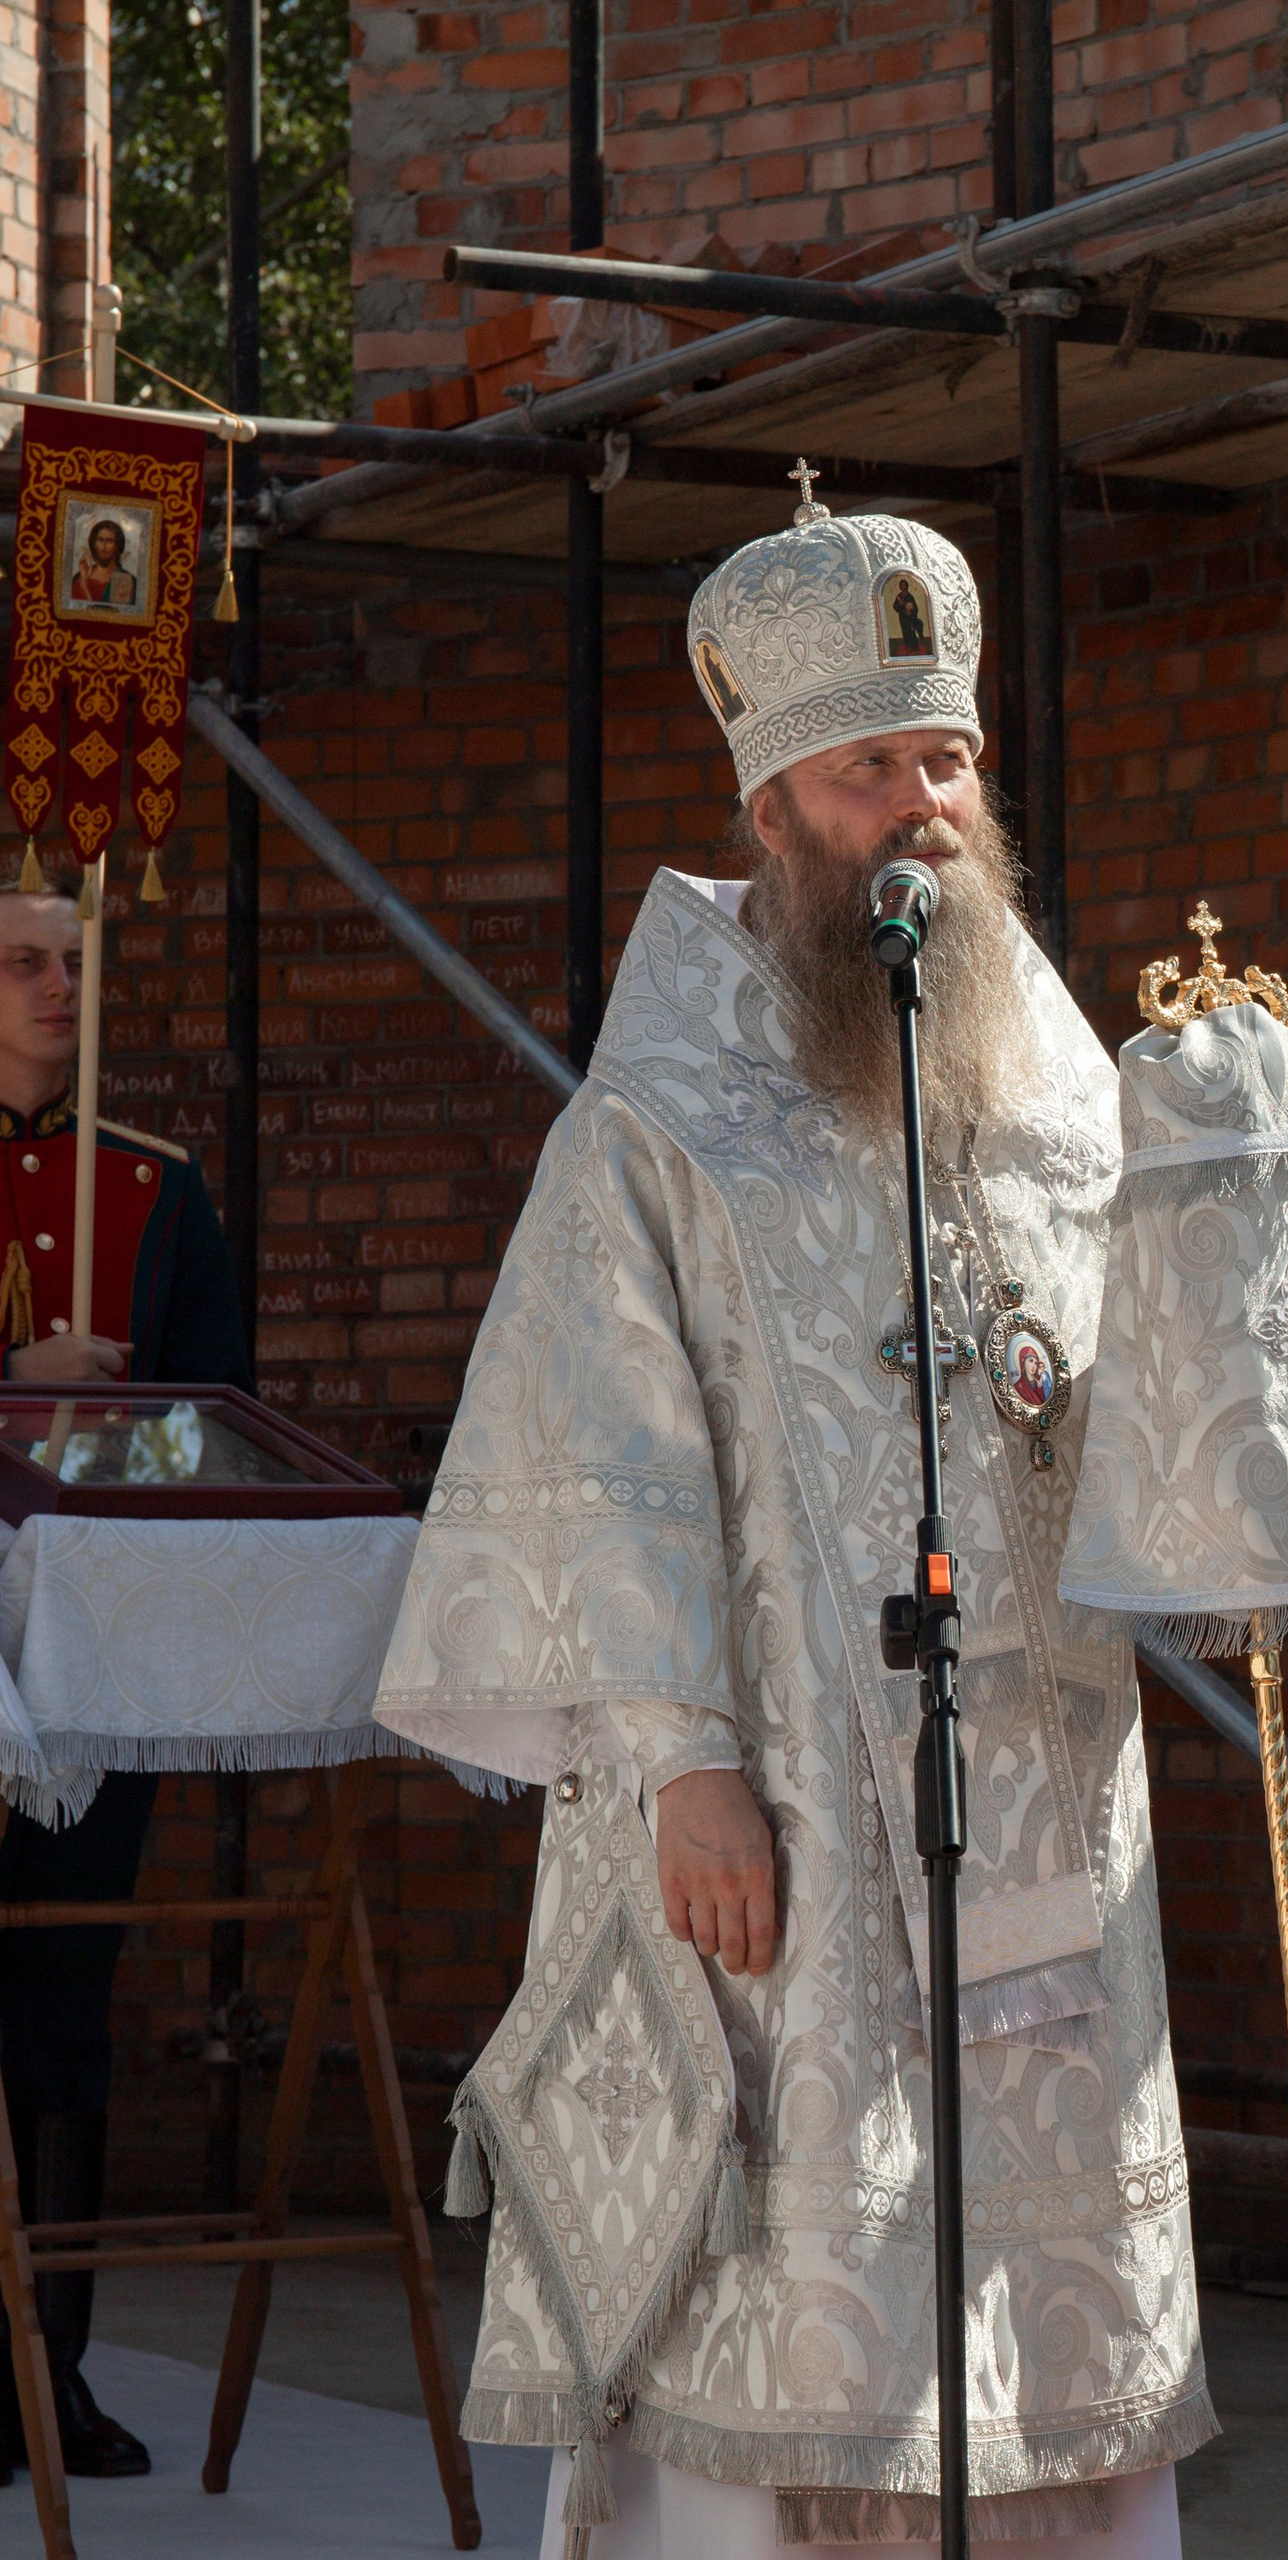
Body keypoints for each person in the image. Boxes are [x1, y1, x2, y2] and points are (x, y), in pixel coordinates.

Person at [376, 506, 1211, 2559]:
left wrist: (1243, 1223)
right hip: (785, 1820)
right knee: (792, 2330)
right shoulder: (652, 1119)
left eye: (949, 762)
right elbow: (595, 1462)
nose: (921, 808)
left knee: (1044, 2323)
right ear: (769, 803)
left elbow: (1152, 1419)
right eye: (870, 770)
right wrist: (677, 1767)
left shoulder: (1065, 1091)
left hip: (1040, 1800)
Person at [0, 879, 251, 2484]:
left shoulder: (154, 1193)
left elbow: (220, 1424)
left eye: (77, 963)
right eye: (24, 962)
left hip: (89, 1662)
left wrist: (111, 1419)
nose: (57, 988)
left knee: (64, 2020)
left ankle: (53, 2373)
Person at [66, 520, 136, 612]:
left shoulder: (126, 579)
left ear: (117, 546)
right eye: (100, 540)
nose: (103, 546)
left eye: (109, 541)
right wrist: (83, 583)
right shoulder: (78, 578)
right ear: (94, 544)